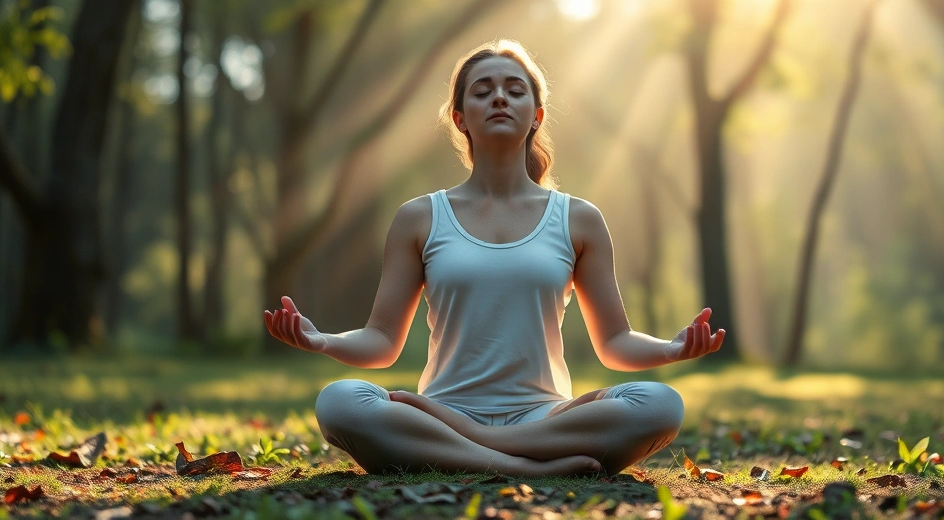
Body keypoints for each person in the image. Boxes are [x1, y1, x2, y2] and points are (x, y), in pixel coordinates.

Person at [264, 39, 725, 477]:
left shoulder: (578, 219)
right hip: (442, 411)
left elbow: (615, 342)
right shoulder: (419, 217)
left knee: (661, 405)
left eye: (514, 90)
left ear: (536, 115)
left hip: (546, 415)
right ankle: (518, 464)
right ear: (461, 118)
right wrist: (321, 340)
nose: (499, 98)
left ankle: (469, 448)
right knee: (339, 402)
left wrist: (671, 349)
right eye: (483, 92)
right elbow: (382, 341)